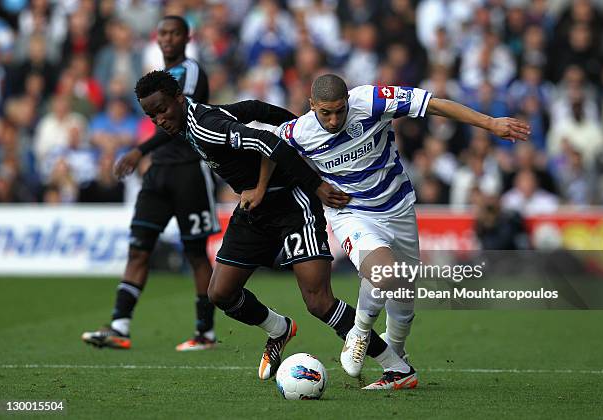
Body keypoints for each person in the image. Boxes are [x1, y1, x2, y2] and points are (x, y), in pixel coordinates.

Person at [129, 70, 413, 389]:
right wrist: (297, 126)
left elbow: (268, 140)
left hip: (292, 203)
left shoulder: (204, 125)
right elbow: (255, 109)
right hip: (254, 208)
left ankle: (396, 366)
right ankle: (279, 329)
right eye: (151, 115)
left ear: (179, 98)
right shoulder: (194, 118)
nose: (158, 119)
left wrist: (314, 184)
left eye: (162, 109)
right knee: (220, 293)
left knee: (319, 302)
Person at [268, 74, 530, 388]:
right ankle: (360, 331)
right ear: (312, 106)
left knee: (403, 296)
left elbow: (433, 105)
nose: (334, 119)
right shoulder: (300, 131)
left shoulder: (373, 101)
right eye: (326, 113)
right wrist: (261, 190)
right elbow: (269, 149)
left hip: (399, 207)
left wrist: (489, 124)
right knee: (384, 274)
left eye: (340, 110)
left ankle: (398, 368)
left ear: (349, 100)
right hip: (351, 213)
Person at [82, 16, 218, 352]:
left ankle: (205, 333)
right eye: (163, 34)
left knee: (196, 254)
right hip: (158, 172)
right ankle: (119, 326)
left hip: (189, 170)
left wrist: (139, 150)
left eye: (175, 33)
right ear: (157, 39)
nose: (168, 39)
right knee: (138, 248)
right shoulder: (157, 77)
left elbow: (177, 117)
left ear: (187, 37)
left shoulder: (192, 71)